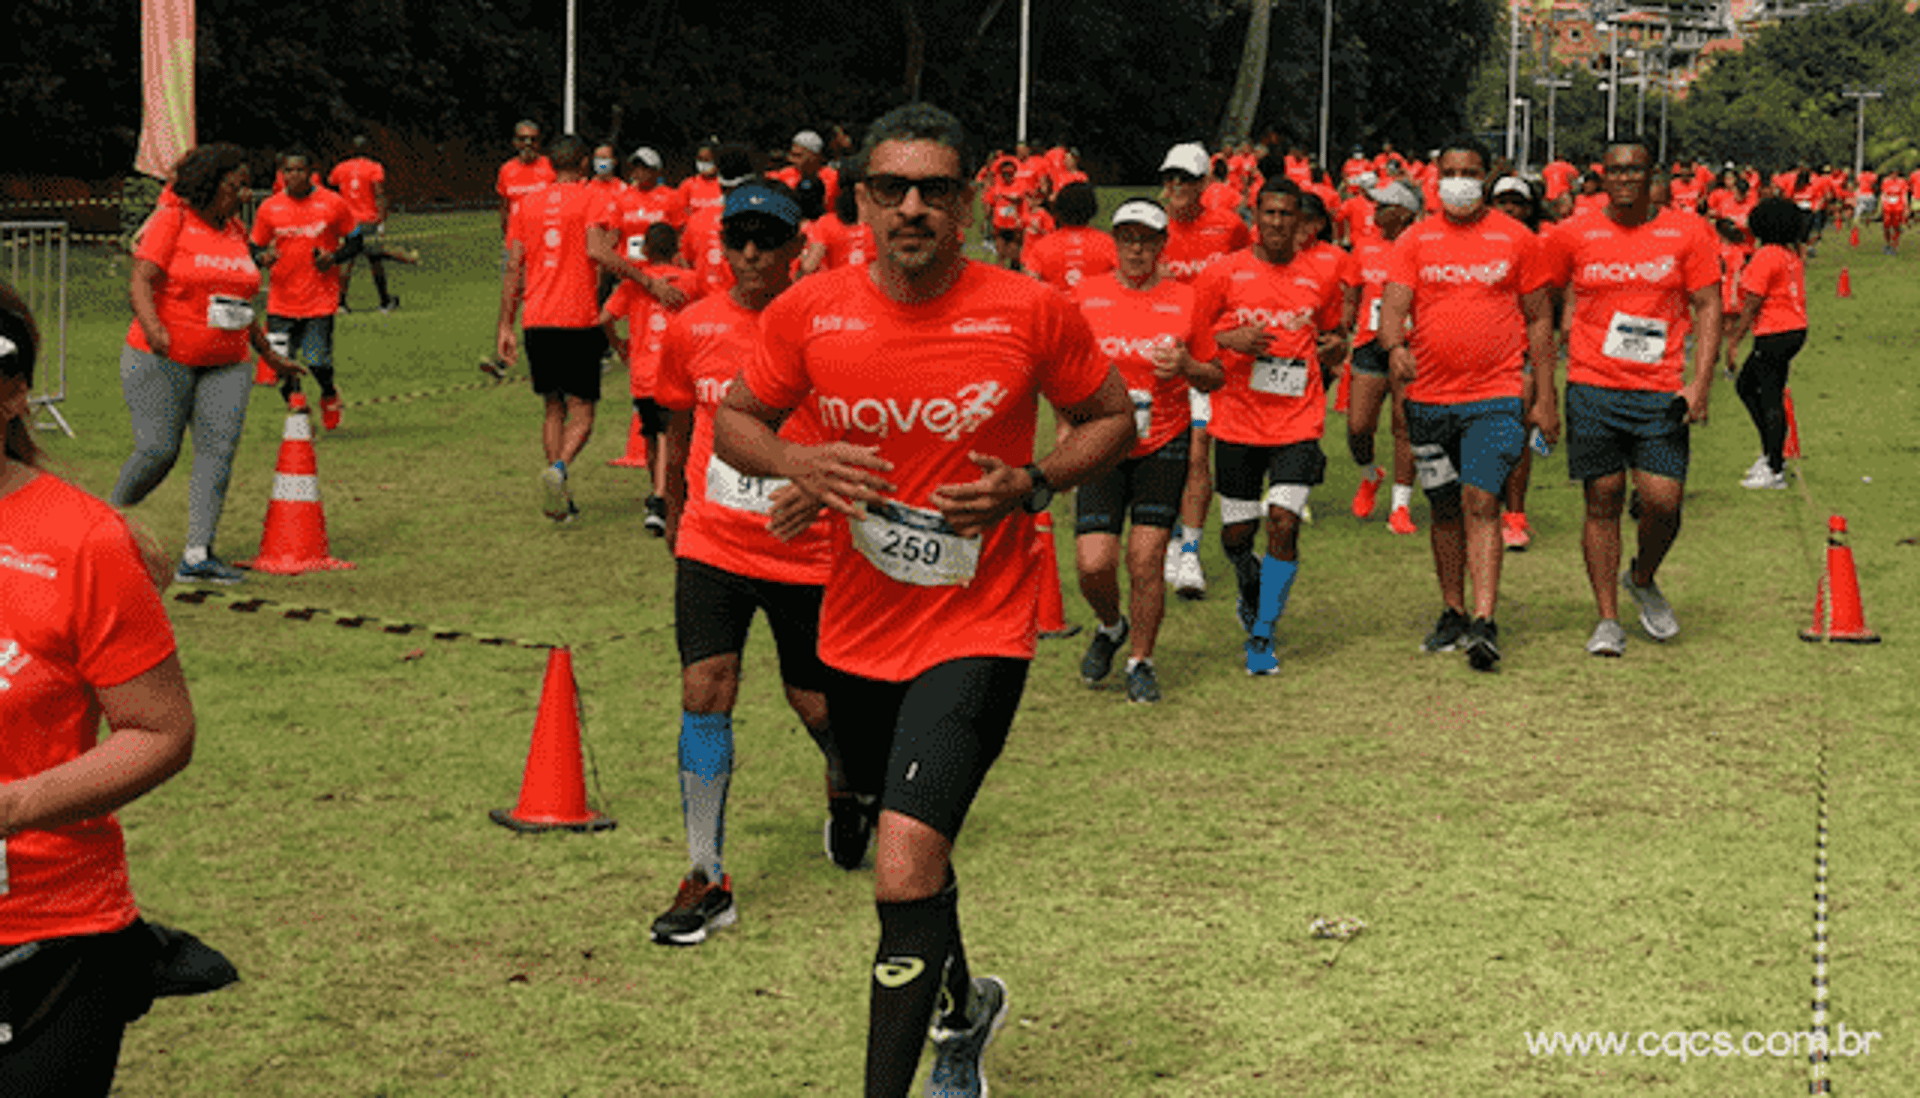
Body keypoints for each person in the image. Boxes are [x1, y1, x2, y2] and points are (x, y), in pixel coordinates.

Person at [712, 102, 1131, 1098]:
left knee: (900, 862)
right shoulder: (809, 313)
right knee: (914, 853)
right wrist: (798, 462)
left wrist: (1032, 484)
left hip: (979, 626)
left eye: (935, 190)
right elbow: (736, 420)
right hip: (853, 630)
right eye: (891, 190)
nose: (913, 208)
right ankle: (963, 1009)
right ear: (859, 202)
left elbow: (1110, 416)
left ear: (967, 202)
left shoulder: (1028, 310)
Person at [0, 281, 198, 1098]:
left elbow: (161, 730)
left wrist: (12, 806)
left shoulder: (83, 539)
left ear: (12, 392)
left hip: (45, 936)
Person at [648, 182, 852, 945]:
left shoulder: (833, 330)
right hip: (713, 541)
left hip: (808, 551)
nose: (753, 254)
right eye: (739, 239)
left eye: (769, 239)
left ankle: (849, 787)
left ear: (797, 248)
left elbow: (868, 434)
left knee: (817, 705)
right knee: (705, 687)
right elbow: (674, 423)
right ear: (720, 245)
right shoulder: (692, 326)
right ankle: (706, 874)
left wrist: (822, 492)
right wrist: (672, 507)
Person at [1377, 135, 1555, 672]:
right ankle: (1452, 610)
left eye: (1470, 172)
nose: (1460, 182)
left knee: (1482, 500)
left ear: (1487, 177)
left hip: (1495, 395)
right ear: (1436, 177)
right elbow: (1392, 308)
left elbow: (1540, 319)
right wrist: (1394, 346)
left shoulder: (1517, 238)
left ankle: (1484, 620)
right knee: (1445, 507)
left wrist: (1545, 397)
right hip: (1429, 398)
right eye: (1450, 171)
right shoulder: (1415, 239)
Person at [1540, 139, 1720, 656]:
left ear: (1652, 176)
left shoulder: (1687, 231)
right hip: (1593, 384)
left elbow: (1708, 305)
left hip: (1661, 390)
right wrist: (1543, 378)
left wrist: (1700, 383)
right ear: (1603, 175)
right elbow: (1542, 299)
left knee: (1663, 501)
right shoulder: (1574, 232)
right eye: (1614, 171)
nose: (1623, 180)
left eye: (1634, 171)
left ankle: (1641, 577)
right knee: (1603, 498)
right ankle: (1606, 619)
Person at [112, 143, 302, 584]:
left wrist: (268, 353)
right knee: (158, 450)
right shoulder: (173, 220)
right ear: (210, 185)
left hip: (228, 360)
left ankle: (198, 554)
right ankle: (107, 525)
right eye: (235, 186)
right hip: (162, 355)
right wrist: (154, 327)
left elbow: (239, 300)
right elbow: (141, 280)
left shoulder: (236, 231)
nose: (244, 195)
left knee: (218, 452)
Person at [1190, 178, 1348, 676]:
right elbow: (1191, 337)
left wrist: (1335, 348)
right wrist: (1230, 337)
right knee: (1237, 535)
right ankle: (1247, 580)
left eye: (1288, 215)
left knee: (1282, 522)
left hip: (1298, 419)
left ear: (1302, 222)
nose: (1278, 223)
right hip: (1237, 419)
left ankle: (1263, 634)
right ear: (1255, 216)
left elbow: (1335, 332)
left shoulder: (1320, 275)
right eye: (1270, 213)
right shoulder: (1223, 272)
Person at [1070, 199, 1223, 702]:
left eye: (1147, 239)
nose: (1136, 248)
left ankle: (1141, 660)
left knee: (1146, 558)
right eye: (1127, 237)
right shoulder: (1084, 296)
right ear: (1114, 242)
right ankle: (1111, 626)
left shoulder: (1187, 298)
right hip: (1101, 441)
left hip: (1164, 439)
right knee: (1093, 564)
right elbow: (1063, 369)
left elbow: (1215, 373)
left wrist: (1185, 366)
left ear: (1162, 245)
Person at [496, 134, 612, 522]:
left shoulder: (526, 204)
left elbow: (514, 267)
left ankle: (559, 497)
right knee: (583, 412)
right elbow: (599, 250)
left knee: (553, 407)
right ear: (583, 165)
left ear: (549, 164)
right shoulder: (592, 196)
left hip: (536, 321)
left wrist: (504, 327)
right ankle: (559, 470)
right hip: (578, 319)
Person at [1158, 141, 1254, 601]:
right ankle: (1173, 537)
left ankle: (1190, 551)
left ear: (1204, 184)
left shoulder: (1229, 227)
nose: (1177, 187)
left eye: (1186, 178)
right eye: (1170, 177)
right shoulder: (1153, 229)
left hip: (1211, 358)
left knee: (1198, 453)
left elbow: (1249, 274)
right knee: (1163, 453)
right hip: (1159, 357)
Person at [597, 223, 700, 535]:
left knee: (654, 437)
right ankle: (665, 499)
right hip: (678, 374)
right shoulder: (692, 281)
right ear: (677, 249)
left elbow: (603, 318)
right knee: (677, 438)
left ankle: (659, 497)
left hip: (644, 376)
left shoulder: (632, 286)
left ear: (645, 251)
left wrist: (619, 345)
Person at [250, 147, 359, 430]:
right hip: (281, 301)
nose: (294, 175)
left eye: (300, 170)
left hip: (319, 300)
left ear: (312, 173)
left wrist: (332, 258)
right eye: (288, 170)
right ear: (281, 174)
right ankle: (297, 404)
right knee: (279, 363)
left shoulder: (332, 203)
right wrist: (262, 258)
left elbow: (355, 241)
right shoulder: (269, 208)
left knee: (316, 360)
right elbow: (254, 246)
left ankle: (329, 393)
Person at [1339, 180, 1421, 535]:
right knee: (1358, 427)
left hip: (1409, 343)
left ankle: (1400, 507)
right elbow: (1351, 294)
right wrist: (1343, 330)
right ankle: (1371, 474)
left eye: (1384, 206)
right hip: (1369, 344)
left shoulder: (1422, 246)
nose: (1374, 212)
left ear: (1403, 213)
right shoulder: (1364, 248)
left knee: (1405, 426)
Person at [1722, 196, 1808, 492]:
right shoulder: (1789, 253)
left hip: (1776, 332)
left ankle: (1774, 467)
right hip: (1792, 330)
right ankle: (1771, 454)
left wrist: (1734, 340)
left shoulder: (1766, 255)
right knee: (1749, 386)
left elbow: (1752, 304)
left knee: (1766, 394)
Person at [1488, 175, 1547, 550]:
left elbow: (1547, 304)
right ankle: (1484, 506)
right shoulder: (1474, 243)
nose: (1509, 209)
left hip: (1521, 351)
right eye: (1502, 201)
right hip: (1478, 353)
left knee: (1519, 432)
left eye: (1517, 202)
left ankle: (1515, 516)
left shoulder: (1540, 244)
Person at [327, 135, 398, 313]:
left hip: (347, 221)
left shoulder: (341, 168)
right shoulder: (374, 167)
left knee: (347, 261)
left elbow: (332, 187)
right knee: (375, 260)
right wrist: (381, 220)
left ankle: (341, 303)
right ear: (368, 149)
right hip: (368, 220)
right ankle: (384, 301)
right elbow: (379, 194)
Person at [1020, 181, 1116, 293]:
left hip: (1055, 308)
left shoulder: (1042, 246)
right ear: (1092, 209)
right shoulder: (1107, 243)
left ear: (1058, 210)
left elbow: (1029, 286)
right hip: (1099, 308)